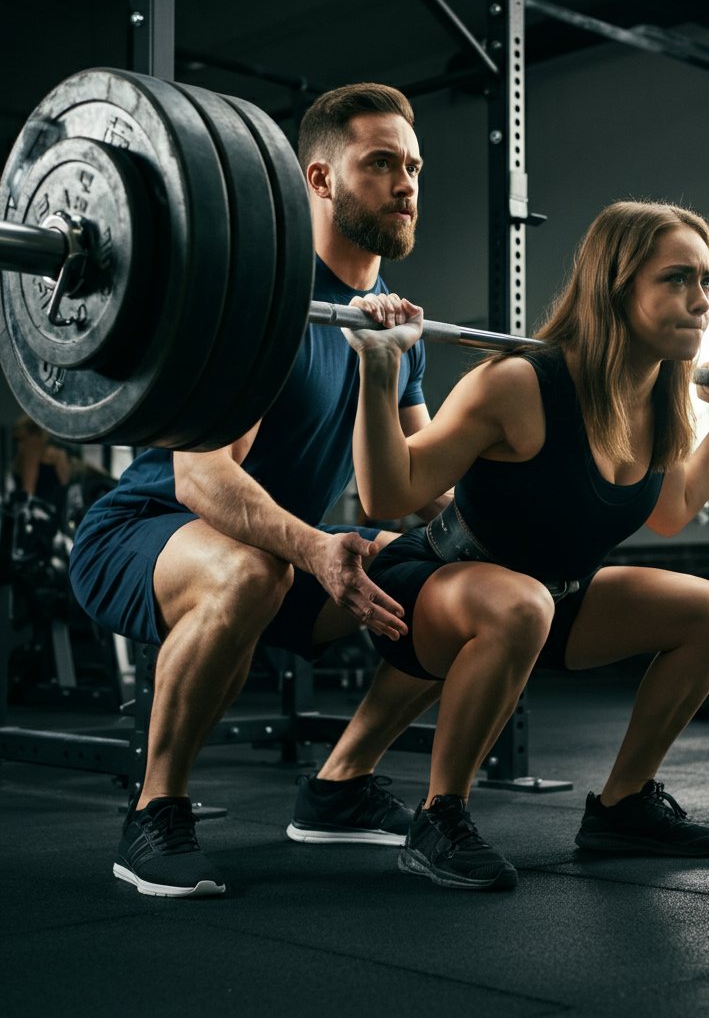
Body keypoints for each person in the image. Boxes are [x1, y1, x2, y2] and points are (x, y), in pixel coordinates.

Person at [69, 83, 453, 898]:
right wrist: (318, 549)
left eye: (413, 166)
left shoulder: (395, 328)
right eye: (380, 164)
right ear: (318, 180)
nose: (406, 183)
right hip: (145, 533)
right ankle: (154, 810)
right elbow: (199, 474)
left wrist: (526, 537)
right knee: (251, 570)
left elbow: (423, 488)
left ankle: (341, 786)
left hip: (283, 559)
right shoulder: (271, 305)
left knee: (455, 587)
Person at [341, 200, 709, 890]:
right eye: (678, 279)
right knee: (521, 603)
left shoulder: (657, 397)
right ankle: (440, 817)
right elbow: (390, 495)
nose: (701, 300)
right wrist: (380, 371)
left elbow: (674, 512)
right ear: (616, 287)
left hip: (550, 601)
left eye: (707, 281)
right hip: (431, 589)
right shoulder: (519, 385)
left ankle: (622, 805)